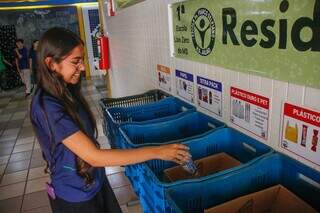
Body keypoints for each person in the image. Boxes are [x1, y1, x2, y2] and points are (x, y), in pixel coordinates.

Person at [30, 27, 190, 213]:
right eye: (76, 62)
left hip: (94, 181)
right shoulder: (46, 107)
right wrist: (157, 152)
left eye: (82, 60)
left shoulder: (67, 91)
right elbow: (94, 156)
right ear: (51, 63)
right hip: (75, 196)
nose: (82, 68)